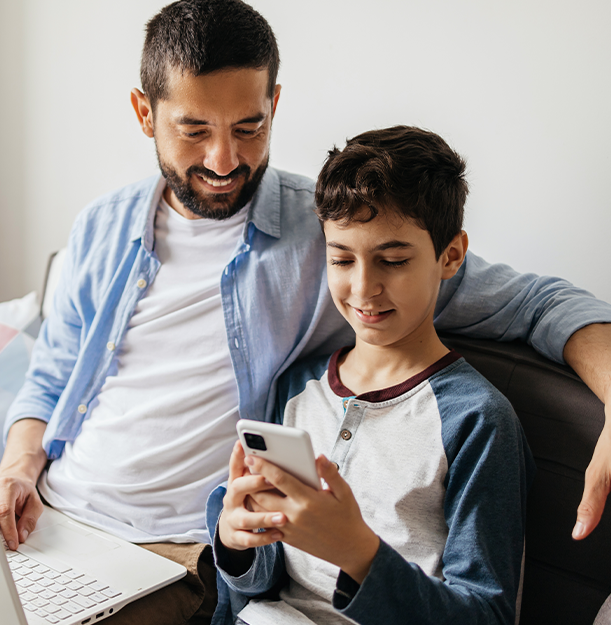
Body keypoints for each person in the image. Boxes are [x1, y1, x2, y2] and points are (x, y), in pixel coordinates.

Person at [0, 1, 611, 624]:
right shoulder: (105, 225)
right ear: (143, 112)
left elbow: (541, 303)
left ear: (274, 104)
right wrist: (19, 454)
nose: (223, 157)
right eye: (194, 129)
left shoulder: (330, 237)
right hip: (38, 513)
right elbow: (52, 367)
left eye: (249, 126)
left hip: (168, 554)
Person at [209, 125, 533, 624]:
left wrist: (360, 553)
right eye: (342, 258)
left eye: (394, 260)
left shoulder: (476, 420)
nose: (363, 288)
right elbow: (263, 577)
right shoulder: (299, 387)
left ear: (450, 255)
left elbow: (486, 614)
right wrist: (237, 542)